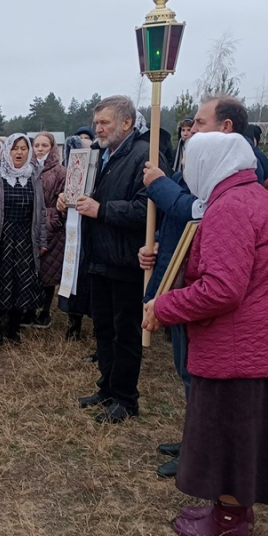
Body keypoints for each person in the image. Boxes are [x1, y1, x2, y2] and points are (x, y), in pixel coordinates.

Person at [144, 132, 268, 536]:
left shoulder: (230, 208)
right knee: (238, 433)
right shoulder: (250, 196)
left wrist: (164, 307)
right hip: (247, 343)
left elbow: (222, 288)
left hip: (235, 347)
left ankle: (230, 523)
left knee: (228, 436)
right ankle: (228, 508)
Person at [60, 95, 166, 424]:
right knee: (103, 328)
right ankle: (106, 387)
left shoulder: (144, 157)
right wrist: (68, 198)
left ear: (126, 123)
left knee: (126, 332)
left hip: (126, 261)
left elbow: (147, 210)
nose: (98, 129)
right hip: (97, 256)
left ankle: (125, 398)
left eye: (105, 123)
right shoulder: (96, 154)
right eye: (96, 123)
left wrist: (101, 209)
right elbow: (83, 193)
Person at [140, 148, 198, 478]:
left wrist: (160, 184)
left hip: (194, 289)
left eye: (200, 125)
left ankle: (199, 448)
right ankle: (192, 438)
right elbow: (176, 224)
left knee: (195, 375)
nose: (189, 134)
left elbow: (196, 213)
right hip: (175, 282)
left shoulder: (228, 181)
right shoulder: (185, 177)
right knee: (184, 368)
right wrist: (156, 244)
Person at [0, 134, 46, 343]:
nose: (19, 153)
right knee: (1, 279)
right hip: (2, 235)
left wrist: (42, 240)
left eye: (23, 148)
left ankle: (14, 328)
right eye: (15, 148)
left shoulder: (34, 175)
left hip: (25, 236)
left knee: (23, 280)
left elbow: (41, 211)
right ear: (7, 150)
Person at [58, 136, 94, 343]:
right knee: (74, 276)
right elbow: (67, 192)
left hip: (94, 228)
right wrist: (63, 198)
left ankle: (98, 323)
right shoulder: (73, 168)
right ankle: (74, 322)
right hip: (75, 230)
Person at [191, 95, 268, 184]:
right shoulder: (225, 160)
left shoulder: (241, 169)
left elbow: (213, 198)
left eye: (200, 122)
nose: (192, 130)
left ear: (226, 126)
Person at [32, 132, 66, 330]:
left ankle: (45, 311)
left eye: (44, 145)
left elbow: (63, 198)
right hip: (32, 224)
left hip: (52, 224)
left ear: (52, 147)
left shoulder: (60, 171)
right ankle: (30, 308)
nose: (40, 149)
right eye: (37, 145)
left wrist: (52, 220)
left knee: (48, 271)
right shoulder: (29, 169)